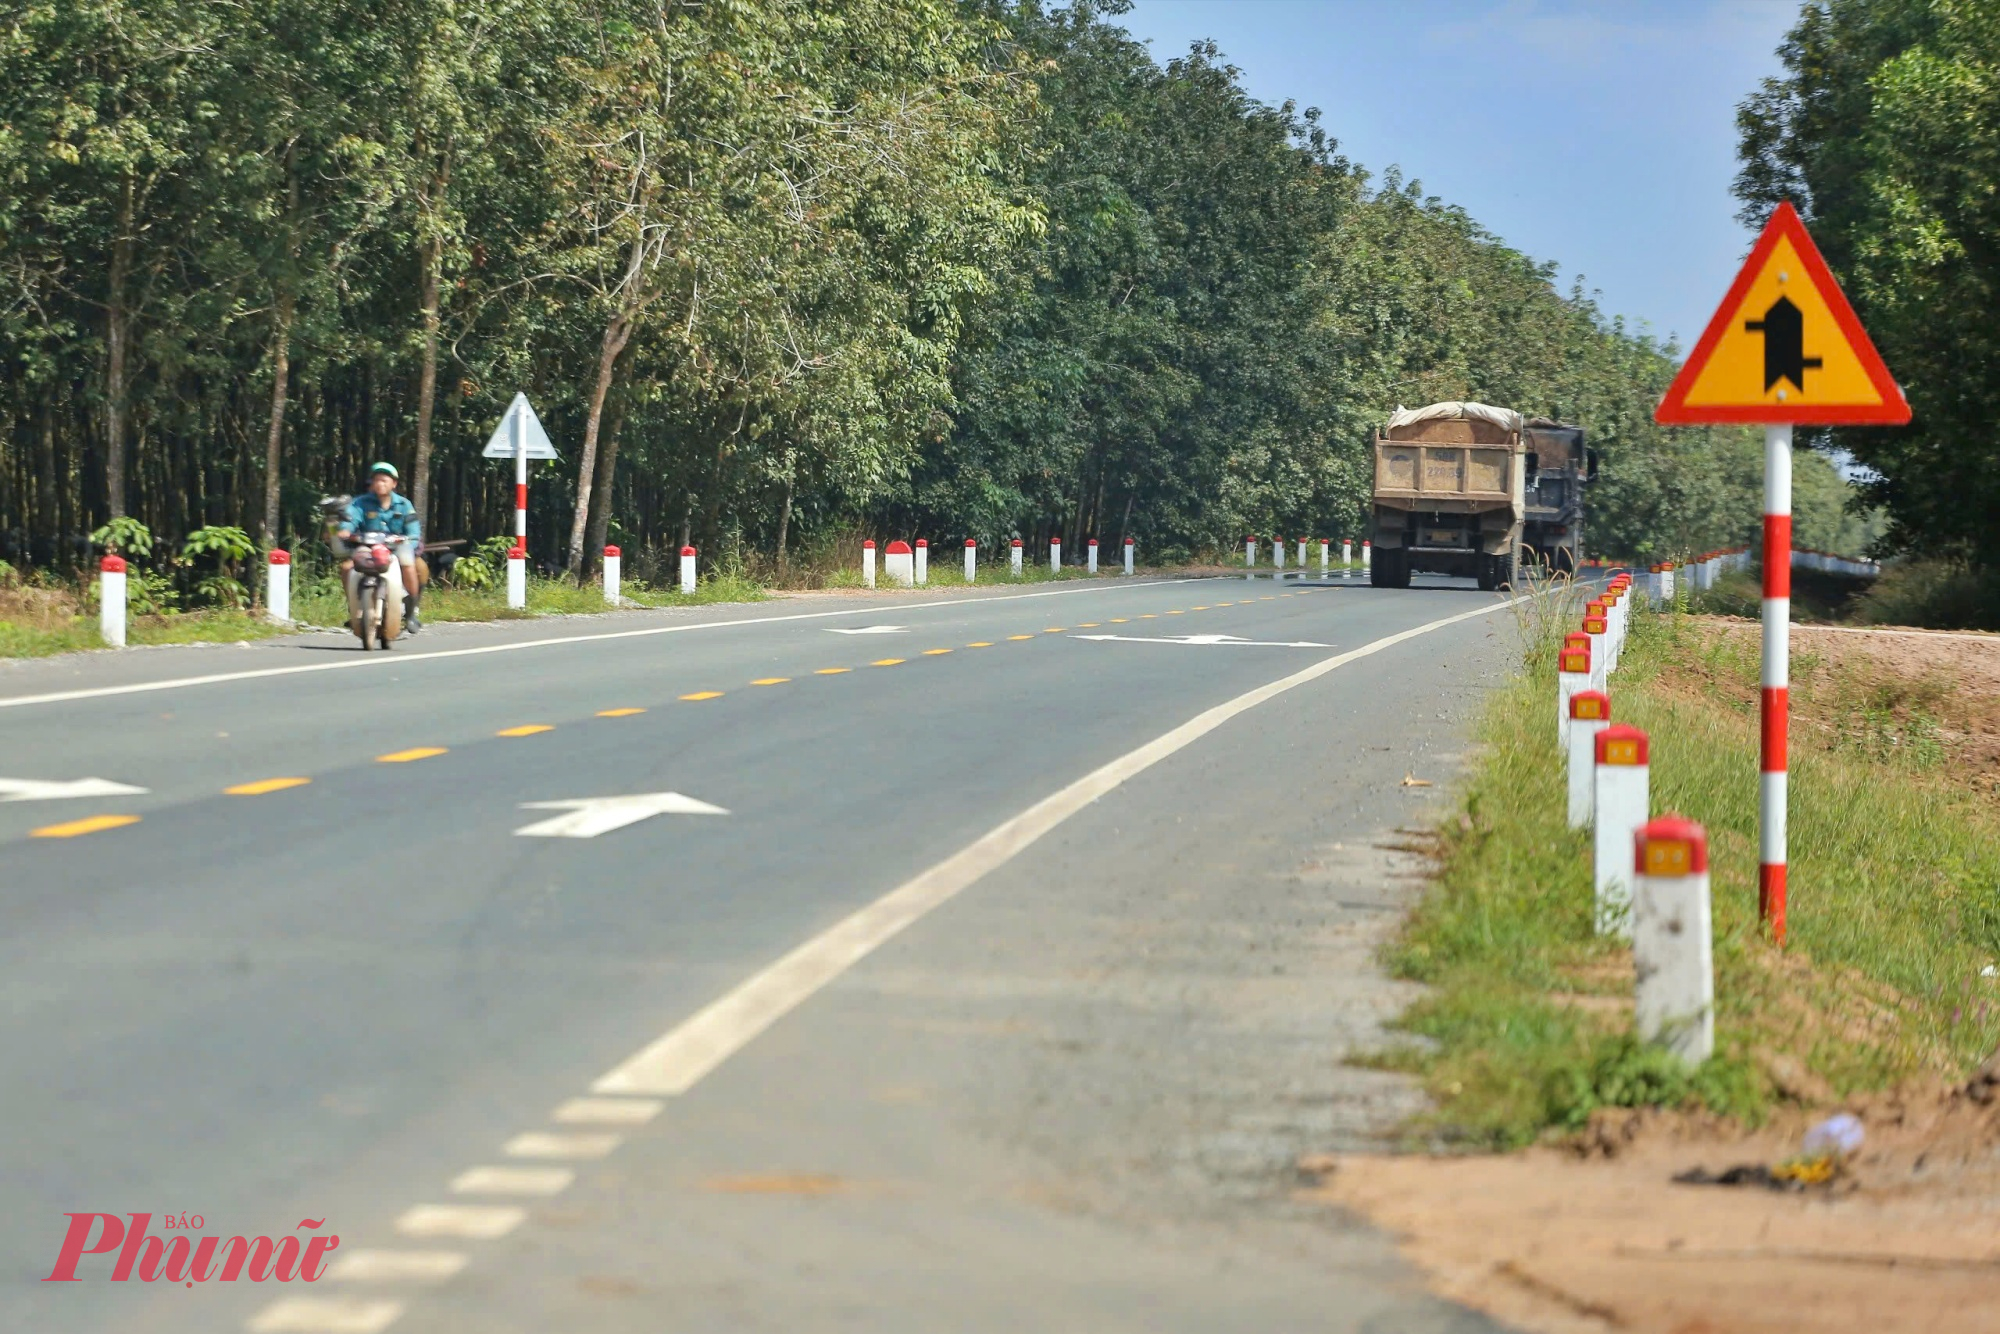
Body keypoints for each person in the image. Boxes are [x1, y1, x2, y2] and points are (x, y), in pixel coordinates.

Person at [337, 463, 425, 631]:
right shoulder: (359, 503)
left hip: (396, 547)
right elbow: (350, 519)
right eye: (377, 480)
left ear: (394, 483)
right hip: (367, 546)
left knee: (409, 566)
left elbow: (414, 532)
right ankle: (354, 608)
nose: (380, 484)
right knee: (347, 568)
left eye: (384, 480)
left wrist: (410, 543)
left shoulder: (404, 505)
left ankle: (411, 614)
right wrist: (345, 530)